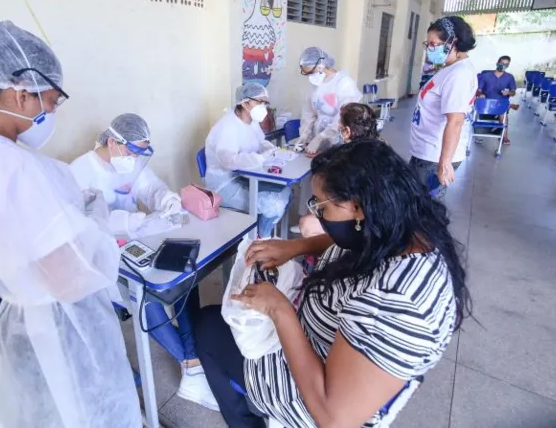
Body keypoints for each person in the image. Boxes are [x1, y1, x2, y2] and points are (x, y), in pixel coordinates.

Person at [0, 9, 141, 427]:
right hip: (50, 324)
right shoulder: (19, 171)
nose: (54, 112)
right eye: (52, 101)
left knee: (30, 411)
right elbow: (71, 278)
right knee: (82, 411)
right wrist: (94, 229)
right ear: (19, 93)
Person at [194, 140, 471, 428]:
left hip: (310, 397)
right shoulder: (400, 226)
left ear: (358, 207)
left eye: (321, 207)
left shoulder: (396, 302)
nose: (316, 214)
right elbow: (357, 239)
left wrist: (279, 309)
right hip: (319, 340)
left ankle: (249, 418)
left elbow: (332, 418)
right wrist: (299, 246)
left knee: (207, 327)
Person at [69, 114, 218, 411]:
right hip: (99, 257)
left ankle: (193, 364)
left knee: (184, 276)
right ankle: (189, 363)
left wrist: (166, 201)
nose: (136, 159)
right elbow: (84, 224)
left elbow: (151, 187)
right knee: (146, 298)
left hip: (136, 242)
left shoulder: (129, 161)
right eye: (134, 151)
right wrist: (131, 221)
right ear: (114, 143)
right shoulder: (79, 172)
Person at [204, 82, 291, 238]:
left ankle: (265, 231)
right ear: (245, 102)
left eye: (266, 103)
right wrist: (260, 158)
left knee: (286, 191)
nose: (264, 107)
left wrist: (270, 149)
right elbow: (228, 161)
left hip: (246, 176)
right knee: (273, 204)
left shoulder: (251, 121)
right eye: (260, 102)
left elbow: (259, 141)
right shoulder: (228, 126)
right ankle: (260, 242)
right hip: (225, 184)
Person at [410, 16, 477, 200]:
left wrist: (445, 162)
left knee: (424, 209)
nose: (430, 49)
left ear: (453, 42)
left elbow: (455, 121)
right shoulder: (450, 68)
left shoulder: (459, 74)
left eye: (434, 44)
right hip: (426, 152)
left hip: (433, 156)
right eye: (428, 44)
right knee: (416, 204)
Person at [296, 102, 379, 240]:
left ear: (346, 131)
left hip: (367, 220)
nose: (337, 128)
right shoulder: (379, 147)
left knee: (307, 223)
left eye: (339, 125)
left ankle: (336, 251)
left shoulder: (351, 160)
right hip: (380, 214)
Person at [295, 46, 362, 156]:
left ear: (321, 66)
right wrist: (304, 135)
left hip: (340, 139)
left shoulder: (344, 83)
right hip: (318, 140)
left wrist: (322, 136)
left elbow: (345, 116)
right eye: (306, 74)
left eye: (311, 72)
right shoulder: (315, 85)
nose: (310, 77)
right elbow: (308, 113)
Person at [477, 55, 516, 145]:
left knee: (503, 113)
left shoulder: (509, 77)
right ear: (497, 63)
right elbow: (478, 90)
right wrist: (481, 94)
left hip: (500, 103)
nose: (503, 66)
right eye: (502, 63)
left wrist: (508, 93)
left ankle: (504, 136)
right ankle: (478, 133)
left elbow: (513, 92)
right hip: (486, 102)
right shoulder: (486, 76)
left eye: (506, 64)